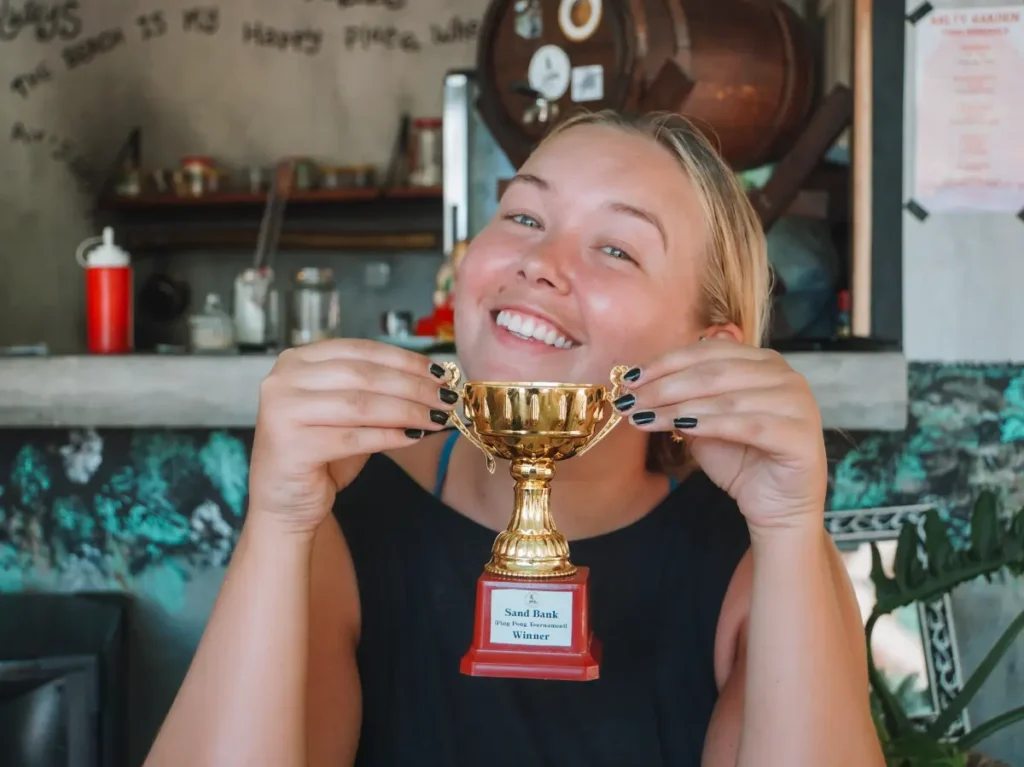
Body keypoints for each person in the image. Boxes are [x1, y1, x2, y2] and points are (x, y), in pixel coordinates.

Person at [143, 111, 884, 767]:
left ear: (708, 348)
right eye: (525, 218)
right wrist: (276, 521)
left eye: (618, 249)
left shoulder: (751, 557)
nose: (539, 263)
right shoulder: (347, 506)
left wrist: (789, 526)